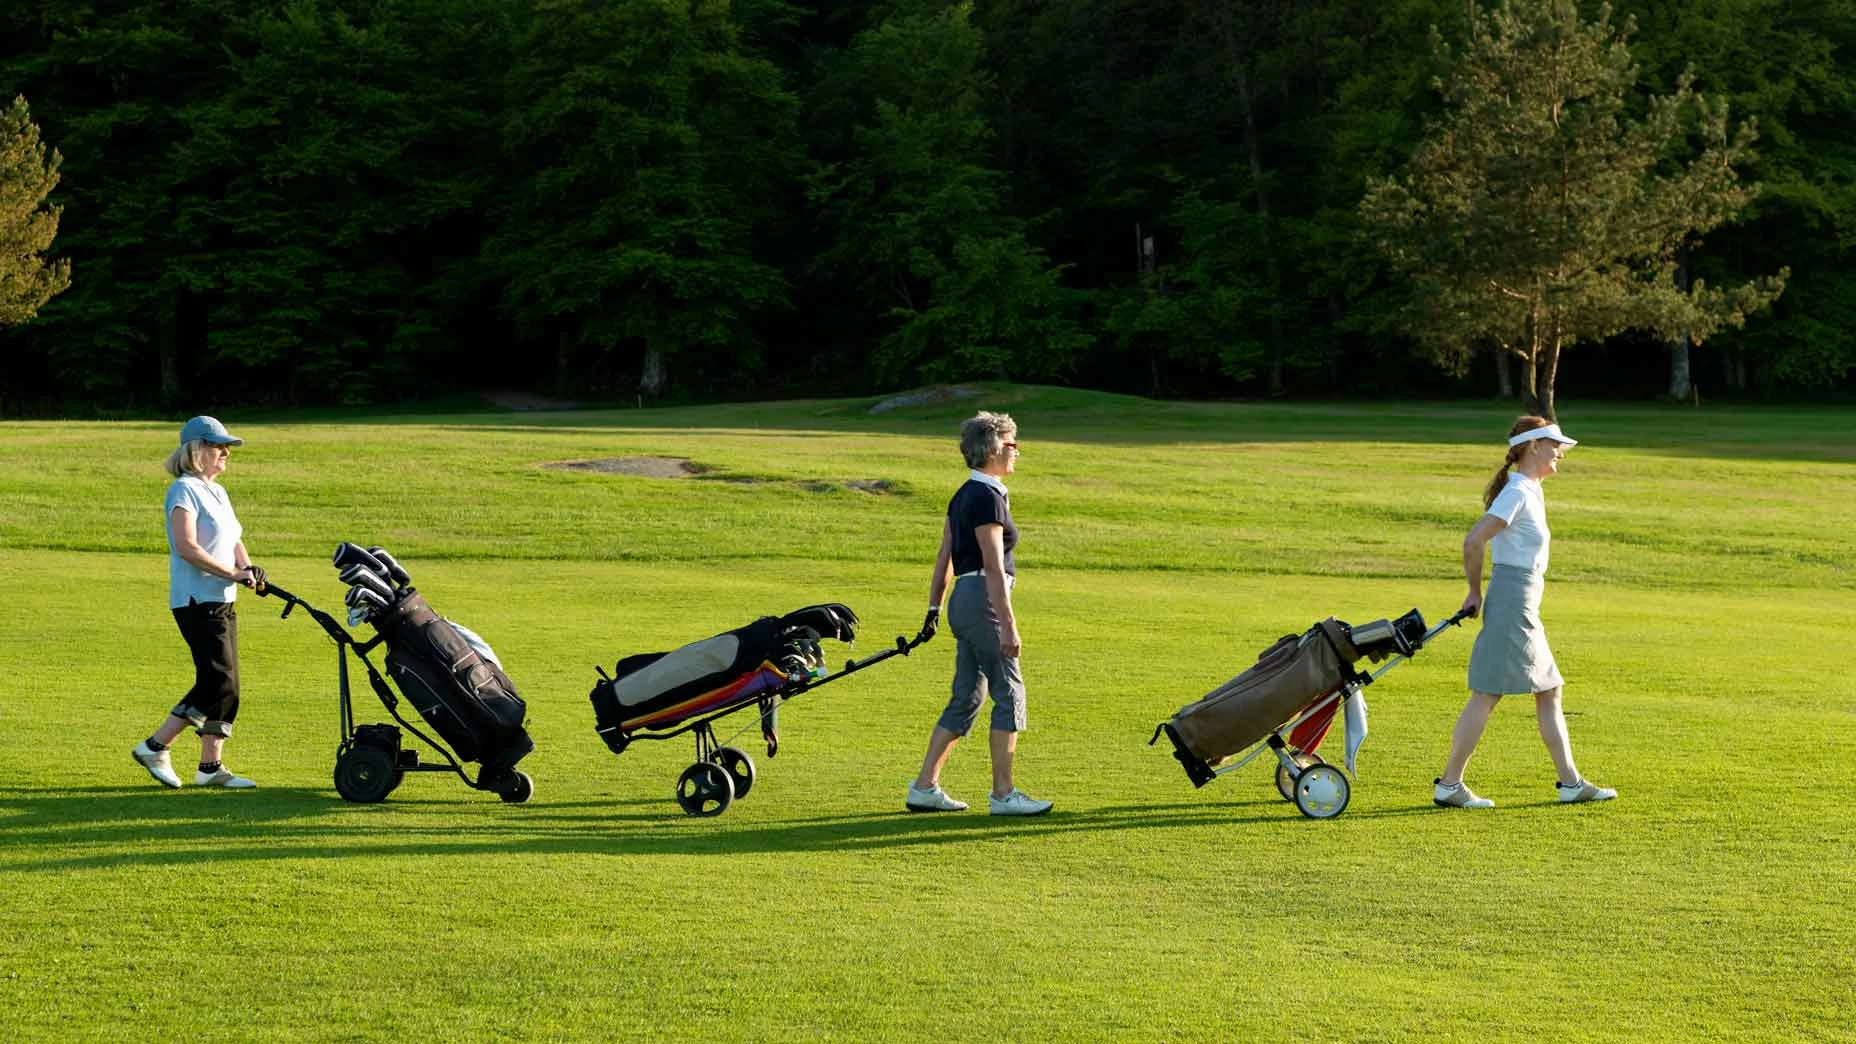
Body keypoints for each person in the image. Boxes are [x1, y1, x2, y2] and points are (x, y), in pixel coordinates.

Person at [1433, 416, 1615, 809]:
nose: (1559, 455)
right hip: (1512, 601)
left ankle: (1570, 782)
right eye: (1554, 447)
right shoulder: (1516, 492)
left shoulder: (1529, 490)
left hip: (1521, 600)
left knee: (1548, 690)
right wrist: (1473, 592)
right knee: (1487, 693)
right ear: (1533, 446)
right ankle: (1449, 785)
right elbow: (1474, 540)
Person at [906, 411, 1052, 816]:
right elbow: (991, 564)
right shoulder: (986, 497)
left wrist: (935, 608)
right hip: (984, 599)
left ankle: (924, 787)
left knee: (968, 696)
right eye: (1011, 444)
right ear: (991, 449)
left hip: (963, 603)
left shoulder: (963, 494)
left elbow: (944, 559)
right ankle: (1004, 795)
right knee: (1010, 693)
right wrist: (1008, 625)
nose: (1016, 452)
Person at [131, 416, 266, 789]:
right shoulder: (184, 490)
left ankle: (209, 768)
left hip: (221, 598)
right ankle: (156, 746)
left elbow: (235, 539)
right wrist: (231, 573)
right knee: (218, 680)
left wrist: (247, 567)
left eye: (225, 446)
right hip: (196, 600)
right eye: (217, 446)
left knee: (227, 684)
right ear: (196, 451)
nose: (225, 453)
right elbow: (186, 546)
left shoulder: (217, 492)